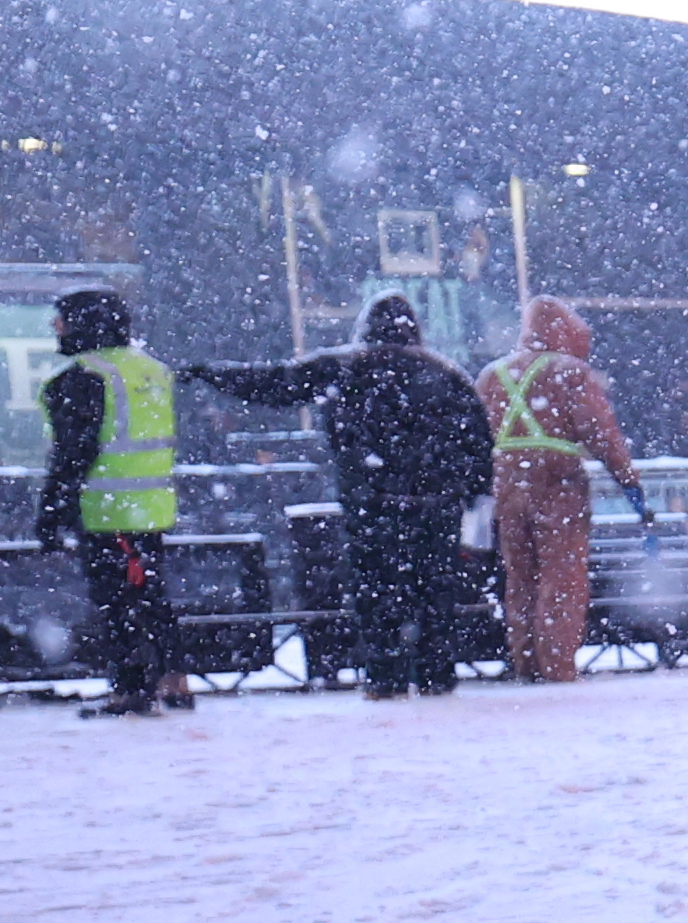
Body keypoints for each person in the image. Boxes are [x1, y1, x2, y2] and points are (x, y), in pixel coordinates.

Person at [186, 296, 493, 698]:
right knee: (435, 591)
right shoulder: (447, 374)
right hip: (435, 505)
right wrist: (471, 494)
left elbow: (273, 383)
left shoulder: (346, 366)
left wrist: (213, 374)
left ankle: (385, 677)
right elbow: (478, 443)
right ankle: (436, 674)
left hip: (372, 501)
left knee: (377, 590)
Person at [30, 288, 190, 716]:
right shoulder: (153, 371)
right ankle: (175, 682)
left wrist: (49, 515)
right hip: (151, 508)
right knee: (153, 597)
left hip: (105, 512)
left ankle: (130, 689)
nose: (54, 326)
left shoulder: (82, 378)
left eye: (61, 317)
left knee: (118, 604)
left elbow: (71, 455)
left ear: (83, 323)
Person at [483, 300, 647, 685]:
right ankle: (557, 666)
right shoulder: (569, 372)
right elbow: (602, 434)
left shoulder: (493, 375)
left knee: (520, 578)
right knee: (562, 577)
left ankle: (526, 663)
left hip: (507, 484)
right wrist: (629, 482)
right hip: (558, 484)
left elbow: (473, 436)